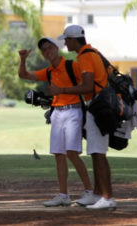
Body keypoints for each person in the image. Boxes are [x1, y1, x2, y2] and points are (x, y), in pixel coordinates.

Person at [18, 37, 97, 207]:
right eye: (44, 50)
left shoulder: (72, 65)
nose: (48, 52)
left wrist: (61, 90)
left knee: (71, 153)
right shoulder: (49, 71)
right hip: (57, 114)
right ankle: (63, 195)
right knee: (59, 155)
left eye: (50, 48)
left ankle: (90, 191)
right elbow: (23, 75)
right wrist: (23, 59)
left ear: (56, 48)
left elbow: (87, 85)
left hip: (73, 110)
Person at [49, 24, 116, 210]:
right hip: (99, 105)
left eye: (66, 40)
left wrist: (61, 90)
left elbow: (87, 86)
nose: (65, 44)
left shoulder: (85, 56)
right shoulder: (91, 52)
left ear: (72, 39)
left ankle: (107, 197)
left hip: (97, 106)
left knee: (98, 154)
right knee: (95, 153)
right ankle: (96, 194)